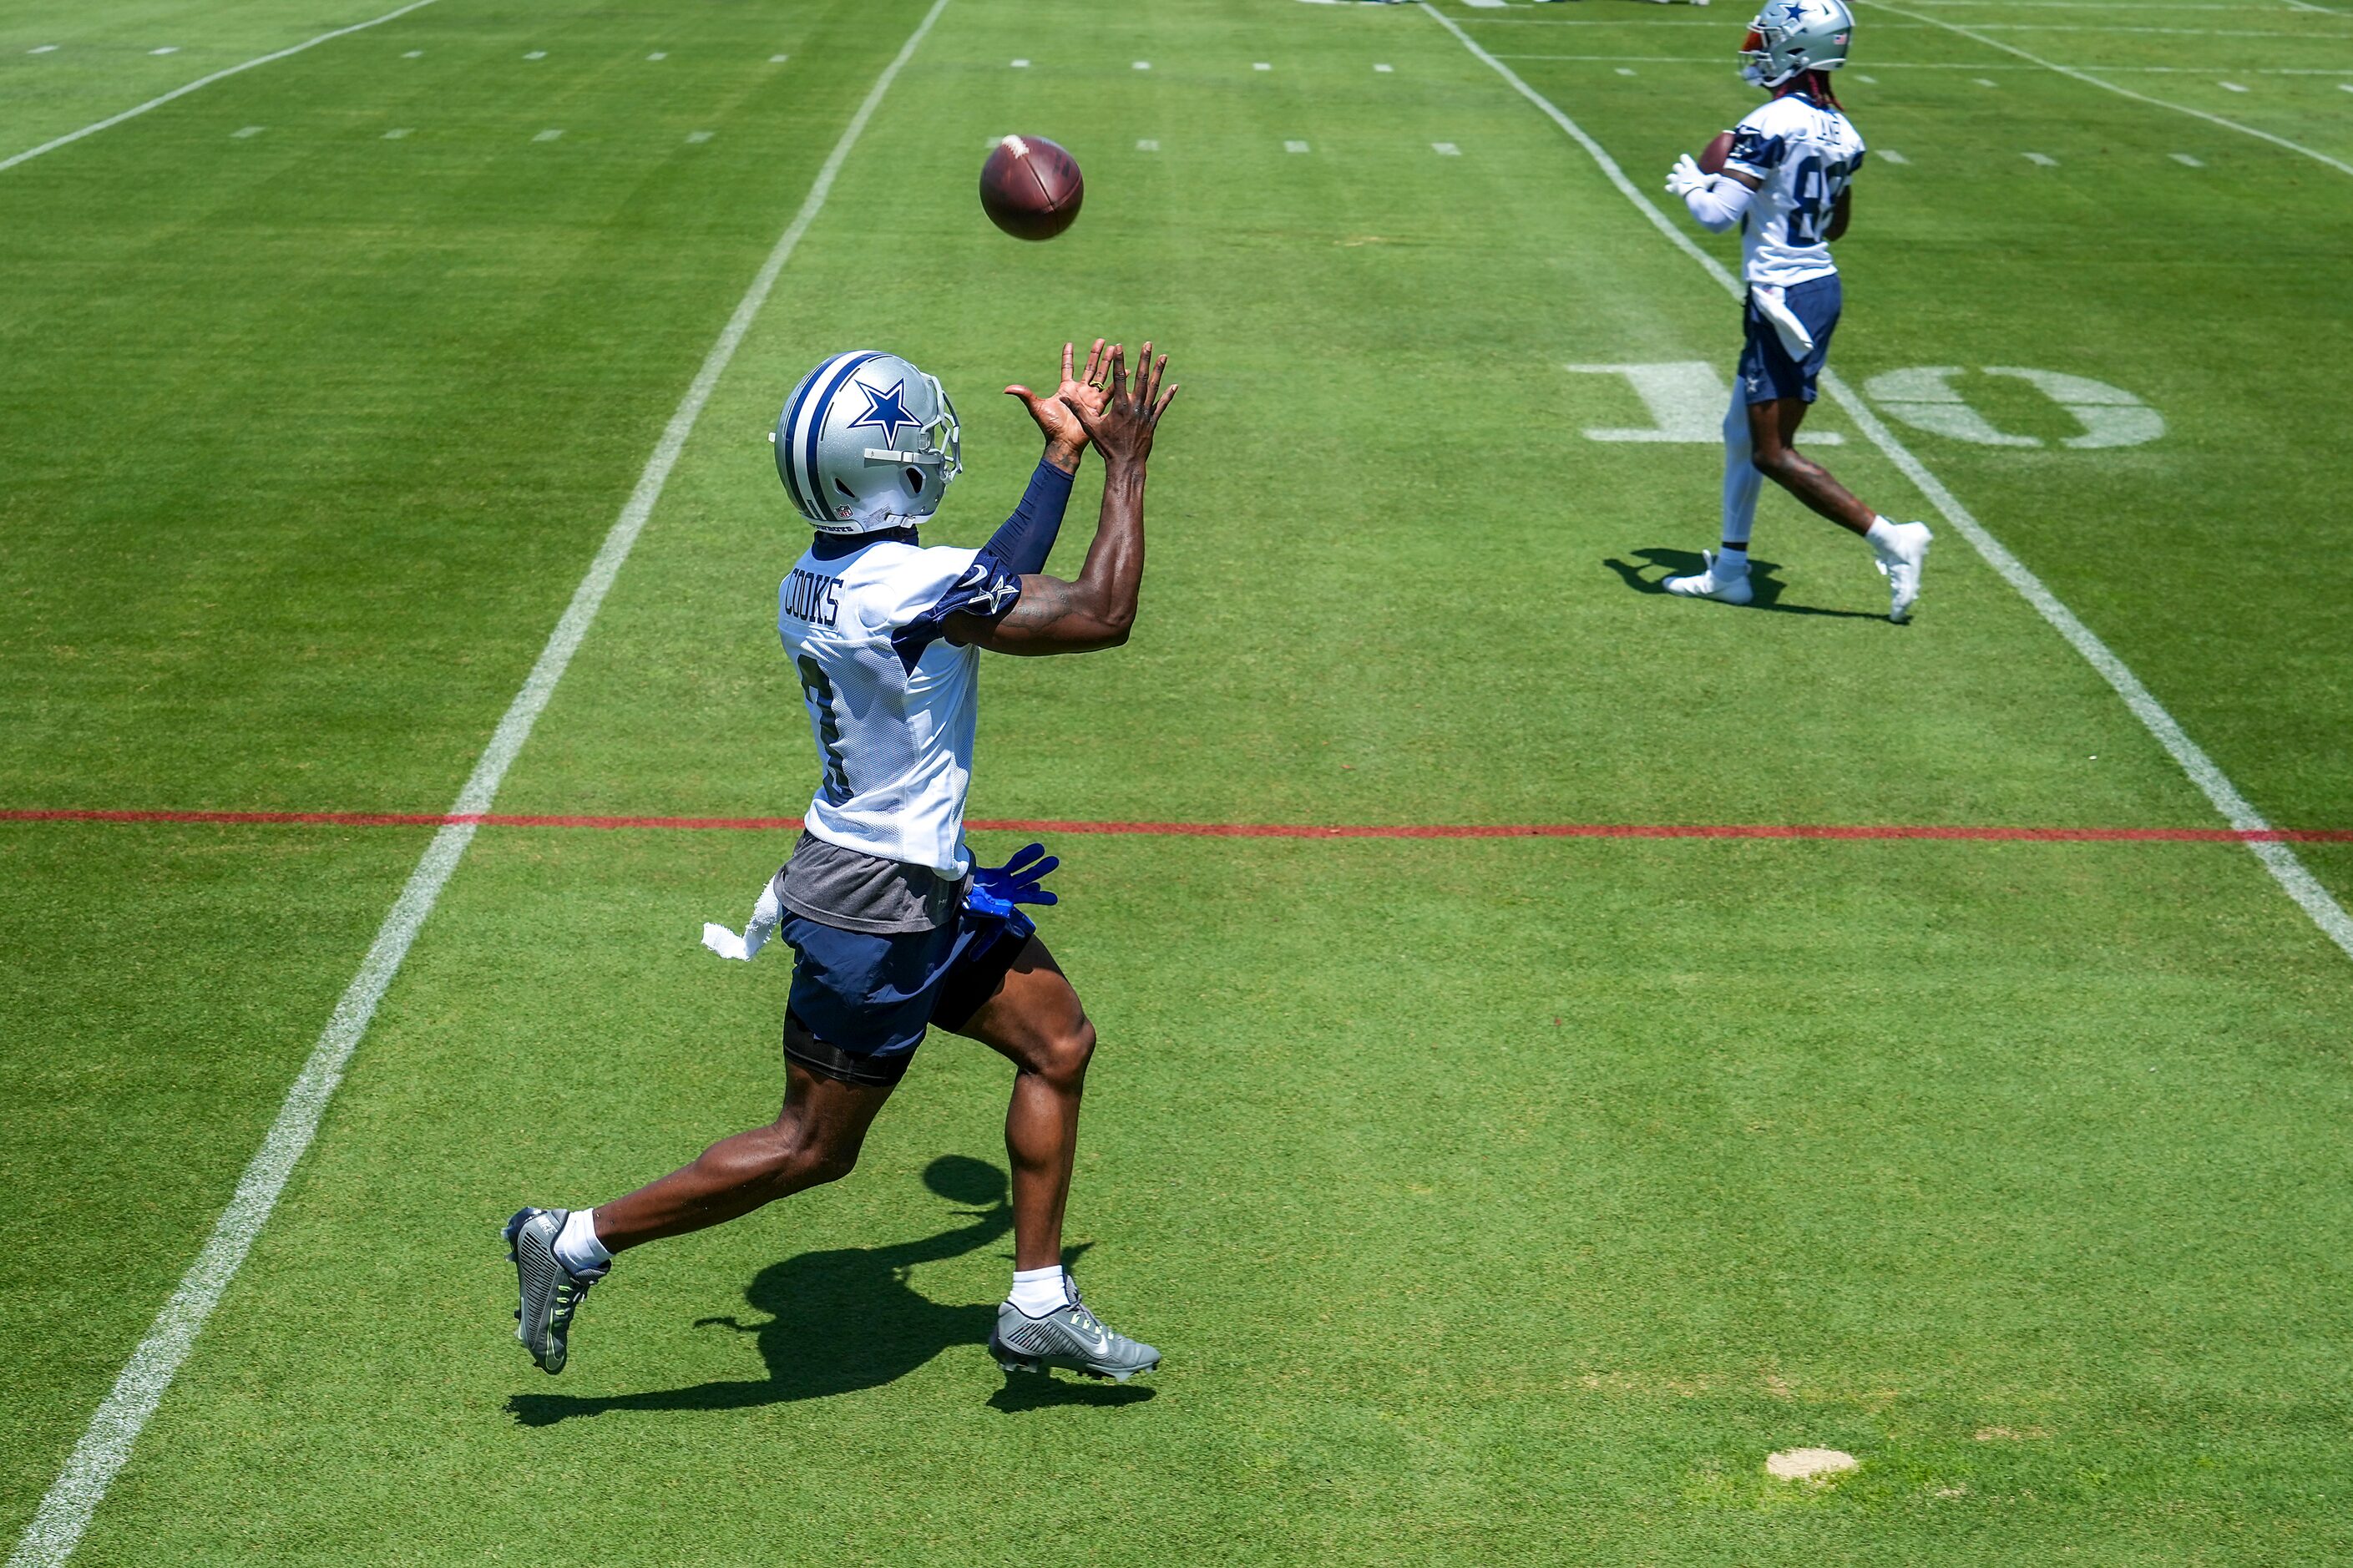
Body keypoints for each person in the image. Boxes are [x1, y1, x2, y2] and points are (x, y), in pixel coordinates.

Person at [506, 336, 1177, 1384]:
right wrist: (1123, 462)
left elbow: (985, 577)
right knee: (810, 1148)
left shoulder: (819, 579)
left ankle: (1038, 1301)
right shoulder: (910, 589)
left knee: (1058, 1043)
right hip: (877, 911)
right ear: (888, 467)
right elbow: (1101, 613)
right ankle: (574, 1238)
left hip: (918, 884)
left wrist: (1058, 461)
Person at [1660, 0, 1932, 621]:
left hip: (1783, 297)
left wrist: (1695, 185)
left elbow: (1714, 218)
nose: (1756, 47)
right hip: (1814, 286)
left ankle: (1891, 535)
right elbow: (1837, 223)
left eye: (1767, 39)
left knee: (1771, 451)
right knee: (1739, 433)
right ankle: (1730, 571)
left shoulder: (1769, 121)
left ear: (1796, 48)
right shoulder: (1845, 128)